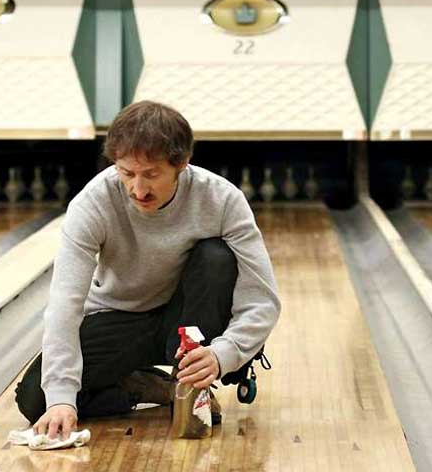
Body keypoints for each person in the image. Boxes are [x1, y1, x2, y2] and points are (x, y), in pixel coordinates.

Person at [15, 100, 282, 438]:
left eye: (152, 174)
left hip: (188, 322)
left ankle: (191, 382)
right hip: (121, 319)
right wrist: (61, 399)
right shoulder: (93, 203)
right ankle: (152, 388)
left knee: (216, 256)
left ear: (181, 164)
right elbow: (64, 304)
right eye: (127, 173)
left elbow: (262, 299)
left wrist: (223, 353)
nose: (138, 189)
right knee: (35, 401)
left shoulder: (221, 199)